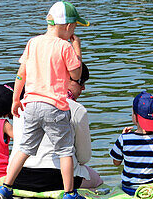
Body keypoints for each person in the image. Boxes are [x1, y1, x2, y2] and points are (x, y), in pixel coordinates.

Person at [0, 1, 88, 199]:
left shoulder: (33, 43)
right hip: (54, 106)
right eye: (74, 27)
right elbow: (77, 74)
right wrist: (77, 48)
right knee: (64, 150)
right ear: (68, 26)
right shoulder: (65, 47)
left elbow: (21, 74)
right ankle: (70, 194)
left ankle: (5, 187)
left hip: (31, 104)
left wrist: (16, 99)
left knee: (24, 148)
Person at [10, 62, 103, 191]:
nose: (83, 88)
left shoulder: (20, 105)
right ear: (66, 78)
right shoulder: (76, 109)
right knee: (96, 178)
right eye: (81, 82)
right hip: (57, 179)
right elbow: (84, 157)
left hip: (18, 176)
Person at [110, 91, 153, 193]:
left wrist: (123, 137)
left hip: (130, 189)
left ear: (135, 117)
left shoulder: (124, 139)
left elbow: (116, 163)